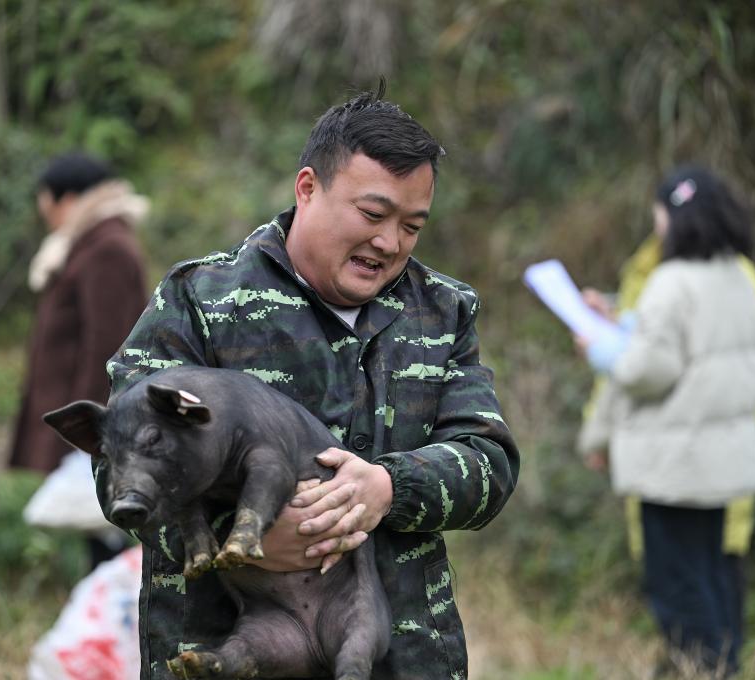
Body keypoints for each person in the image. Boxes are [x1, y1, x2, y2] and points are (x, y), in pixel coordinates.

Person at [103, 85, 520, 679]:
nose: (389, 242)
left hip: (401, 658)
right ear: (307, 188)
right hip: (226, 649)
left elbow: (489, 464)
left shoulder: (443, 311)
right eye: (372, 215)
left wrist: (387, 487)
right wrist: (239, 531)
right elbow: (116, 465)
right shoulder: (202, 301)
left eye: (411, 226)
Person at [577, 166, 755, 676]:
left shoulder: (671, 279)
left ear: (673, 219)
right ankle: (725, 666)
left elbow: (649, 369)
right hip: (719, 464)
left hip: (674, 467)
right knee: (713, 574)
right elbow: (686, 342)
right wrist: (621, 322)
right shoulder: (739, 275)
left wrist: (601, 350)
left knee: (678, 585)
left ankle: (702, 669)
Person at [9, 152, 150, 567]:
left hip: (95, 423)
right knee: (98, 536)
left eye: (46, 204)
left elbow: (108, 347)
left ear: (67, 199)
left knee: (109, 535)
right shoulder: (90, 244)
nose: (45, 216)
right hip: (86, 421)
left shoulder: (107, 249)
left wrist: (88, 428)